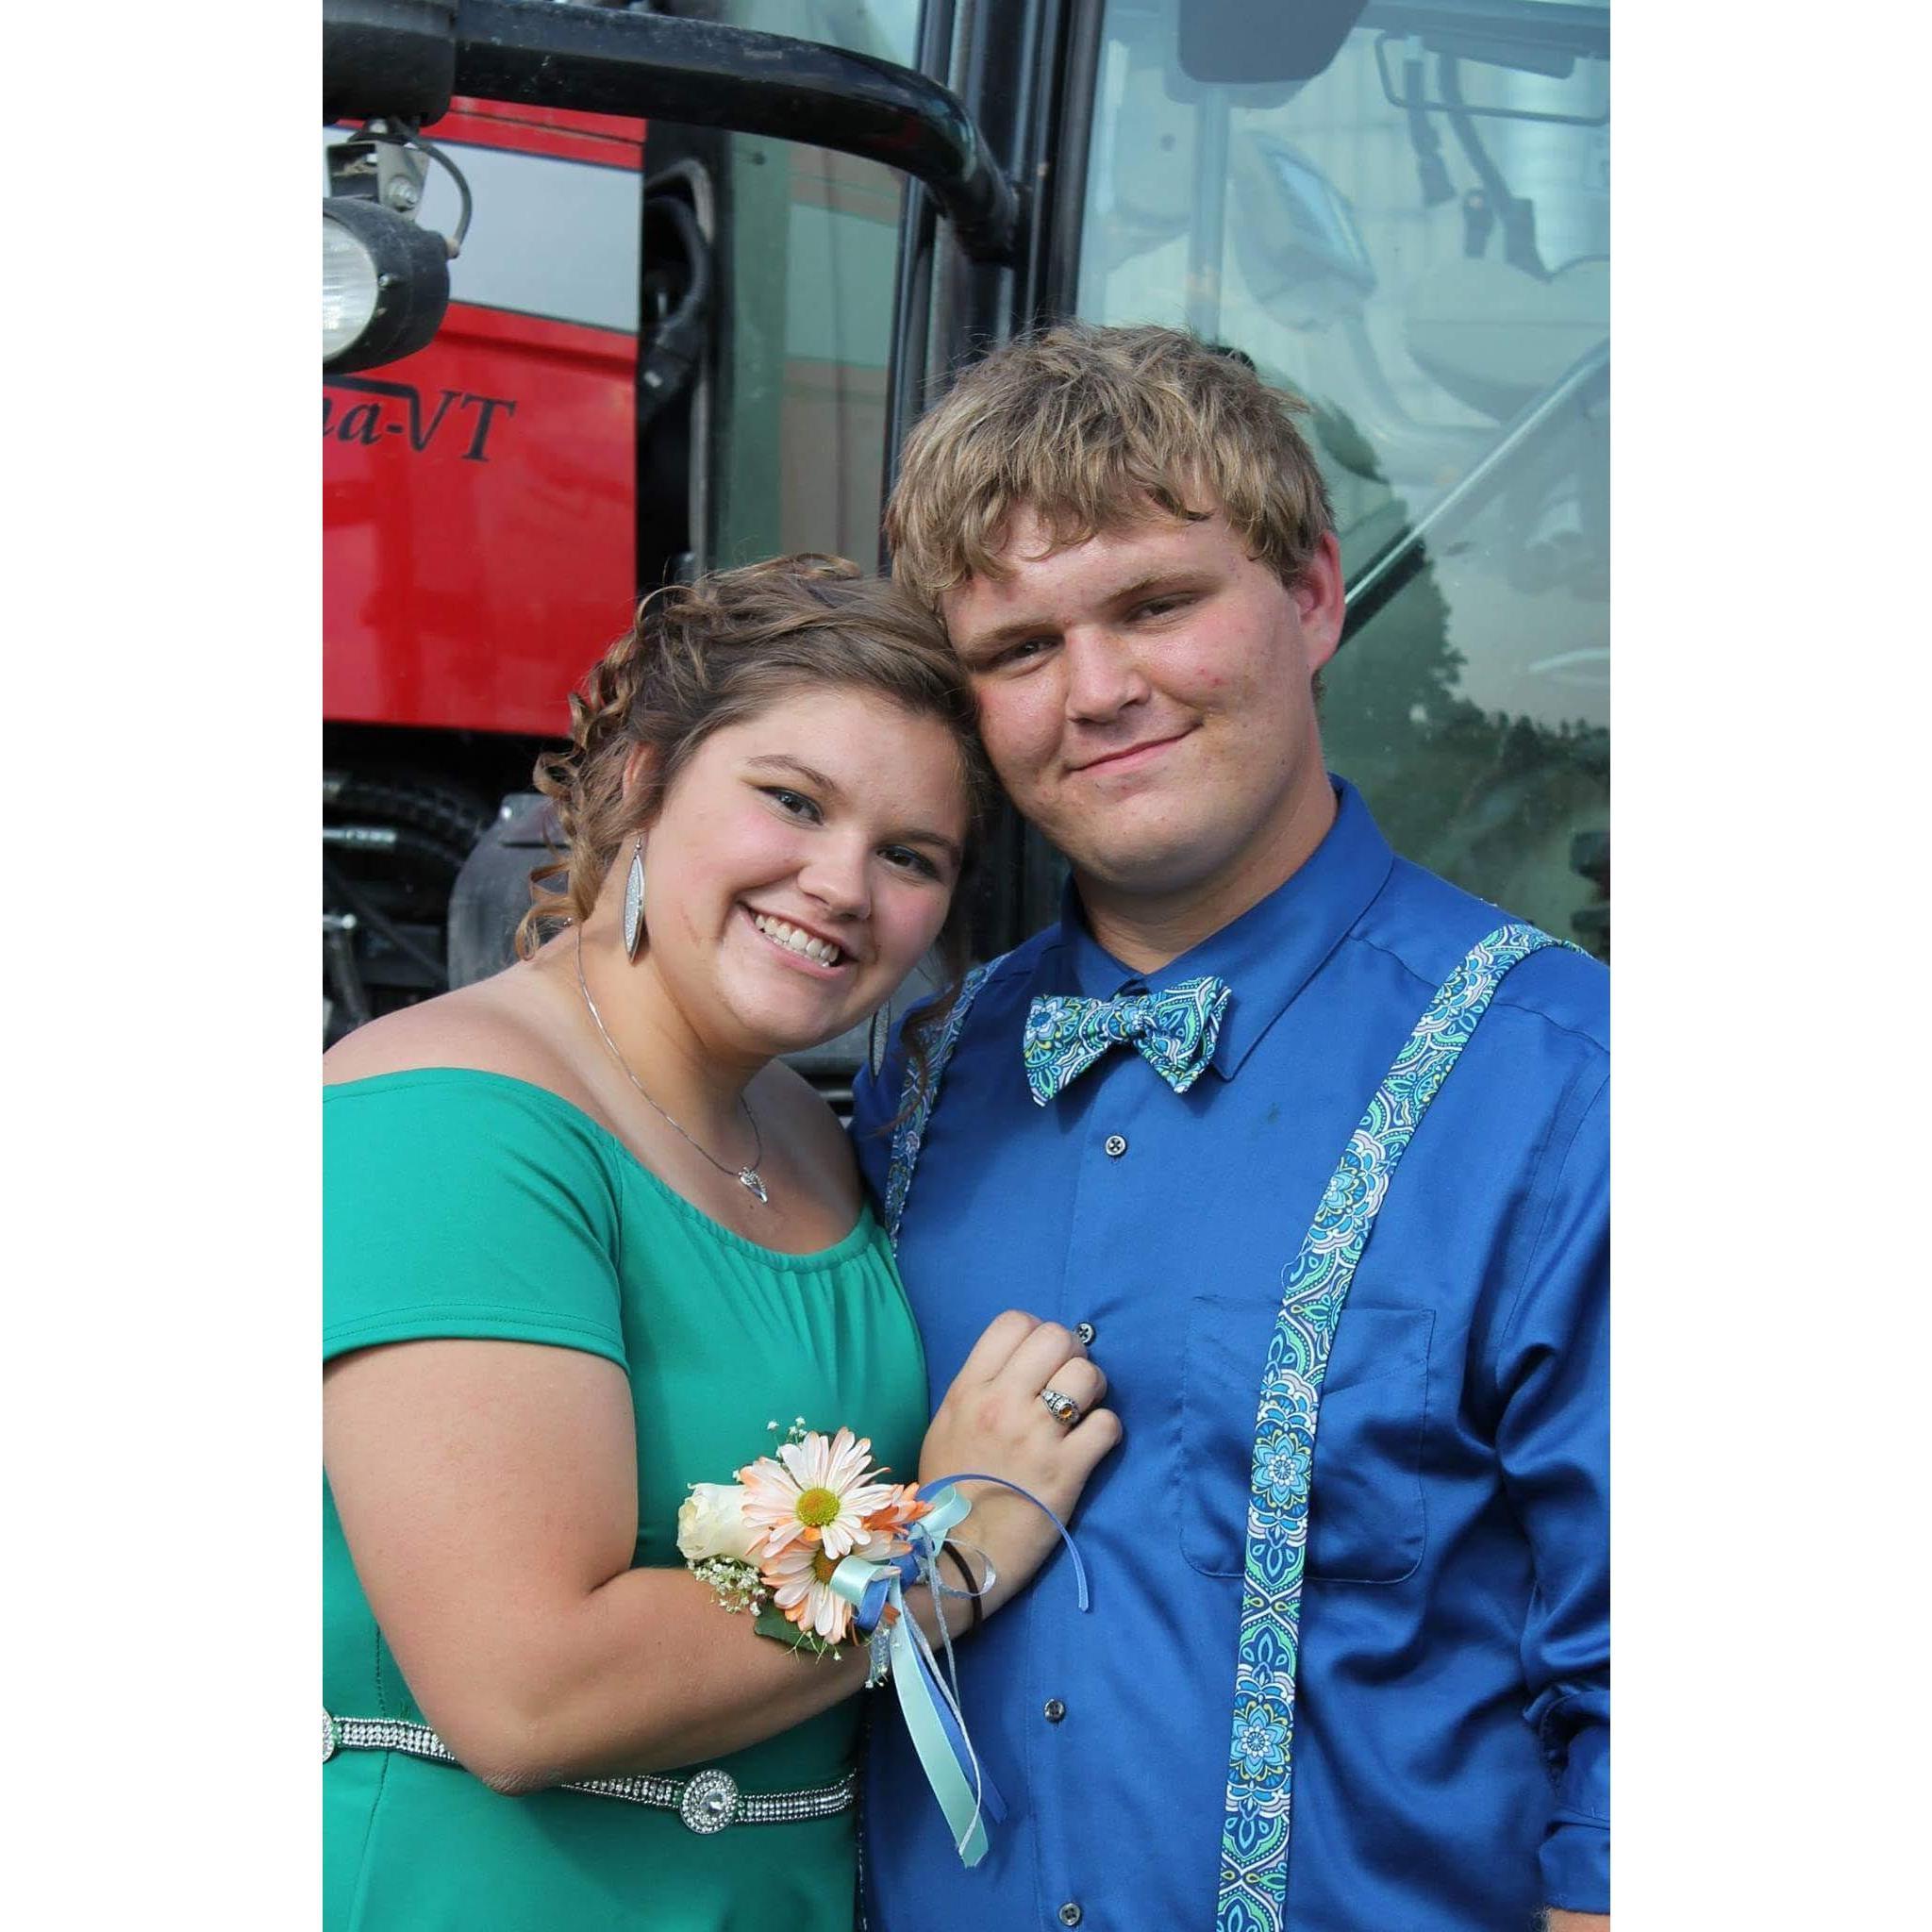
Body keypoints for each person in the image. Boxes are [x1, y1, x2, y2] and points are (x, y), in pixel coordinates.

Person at [853, 325, 1609, 1931]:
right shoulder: (917, 1083)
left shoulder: (1572, 1083)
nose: (1098, 691)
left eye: (1154, 605)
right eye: (1020, 648)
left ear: (1316, 595)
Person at [322, 556, 1120, 1931]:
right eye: (793, 801)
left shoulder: (805, 1131)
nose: (842, 885)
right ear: (642, 780)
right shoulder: (449, 1116)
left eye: (911, 856)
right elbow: (526, 1690)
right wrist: (953, 1546)